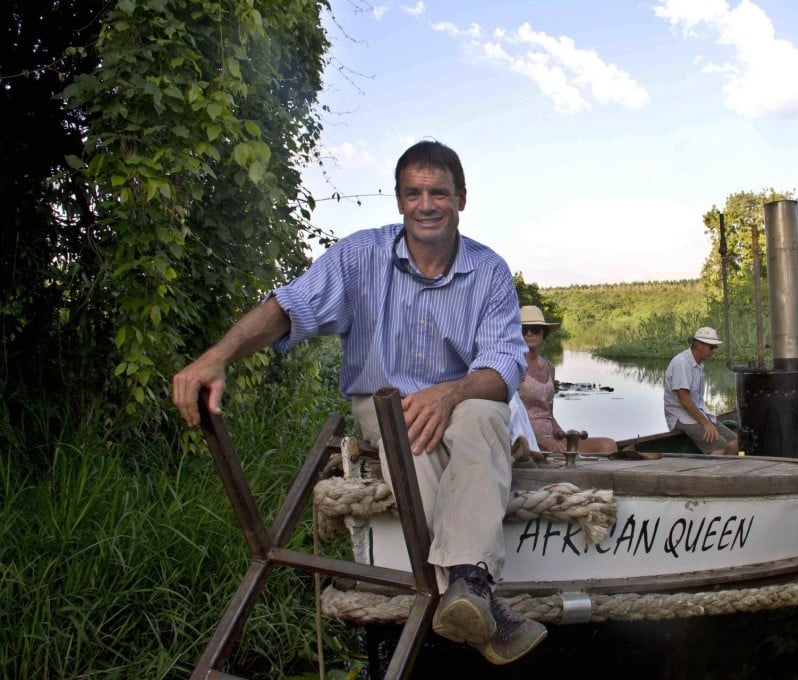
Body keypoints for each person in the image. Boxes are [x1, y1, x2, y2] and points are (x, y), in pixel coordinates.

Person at [171, 140, 546, 666]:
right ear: (398, 201)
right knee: (412, 443)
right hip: (384, 402)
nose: (426, 204)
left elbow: (504, 367)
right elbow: (289, 307)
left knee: (485, 414)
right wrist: (219, 356)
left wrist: (450, 392)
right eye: (413, 193)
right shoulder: (359, 256)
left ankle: (464, 588)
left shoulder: (488, 271)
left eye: (439, 192)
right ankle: (475, 594)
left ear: (462, 198)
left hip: (464, 397)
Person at [517, 305, 617, 455]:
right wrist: (545, 442)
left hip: (552, 438)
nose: (530, 333)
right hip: (526, 440)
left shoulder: (549, 367)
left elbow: (549, 414)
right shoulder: (514, 367)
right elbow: (512, 417)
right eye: (524, 330)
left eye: (535, 329)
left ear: (543, 333)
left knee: (608, 445)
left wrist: (564, 436)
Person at [663, 327, 739, 456]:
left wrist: (706, 421)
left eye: (715, 347)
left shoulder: (697, 363)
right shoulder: (682, 363)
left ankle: (726, 471)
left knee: (736, 442)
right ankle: (712, 474)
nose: (714, 350)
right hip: (681, 415)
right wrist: (705, 424)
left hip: (697, 412)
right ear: (699, 345)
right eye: (712, 347)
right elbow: (684, 399)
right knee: (720, 447)